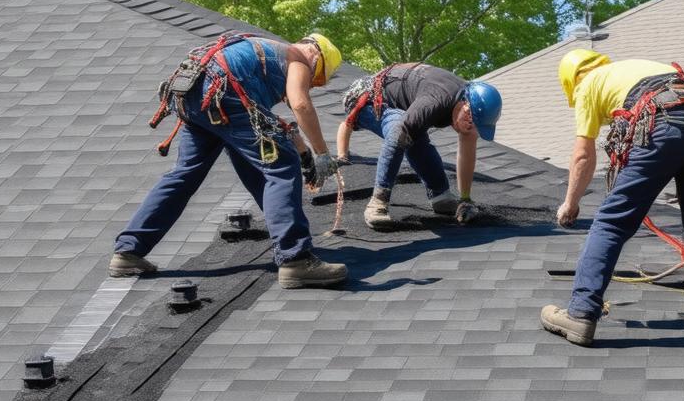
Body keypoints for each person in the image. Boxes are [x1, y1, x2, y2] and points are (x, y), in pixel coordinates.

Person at [539, 49, 684, 375]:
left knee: (611, 223)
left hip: (662, 119)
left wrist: (570, 203)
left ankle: (580, 314)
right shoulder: (639, 68)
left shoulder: (588, 85)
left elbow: (583, 155)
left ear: (571, 81)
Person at [108, 32, 349, 289]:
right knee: (280, 168)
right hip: (224, 97)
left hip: (193, 94)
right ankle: (296, 260)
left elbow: (284, 121)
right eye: (318, 78)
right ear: (316, 57)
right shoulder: (298, 58)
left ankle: (128, 252)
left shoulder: (266, 51)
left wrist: (305, 154)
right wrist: (322, 154)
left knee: (188, 174)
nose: (313, 84)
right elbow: (301, 105)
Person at [335, 63, 502, 228]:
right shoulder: (436, 100)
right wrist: (380, 197)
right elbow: (399, 134)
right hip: (368, 99)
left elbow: (467, 151)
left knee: (415, 134)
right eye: (470, 121)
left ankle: (441, 196)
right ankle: (377, 204)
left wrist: (465, 199)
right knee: (402, 131)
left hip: (402, 106)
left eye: (476, 126)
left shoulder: (469, 105)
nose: (469, 127)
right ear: (465, 106)